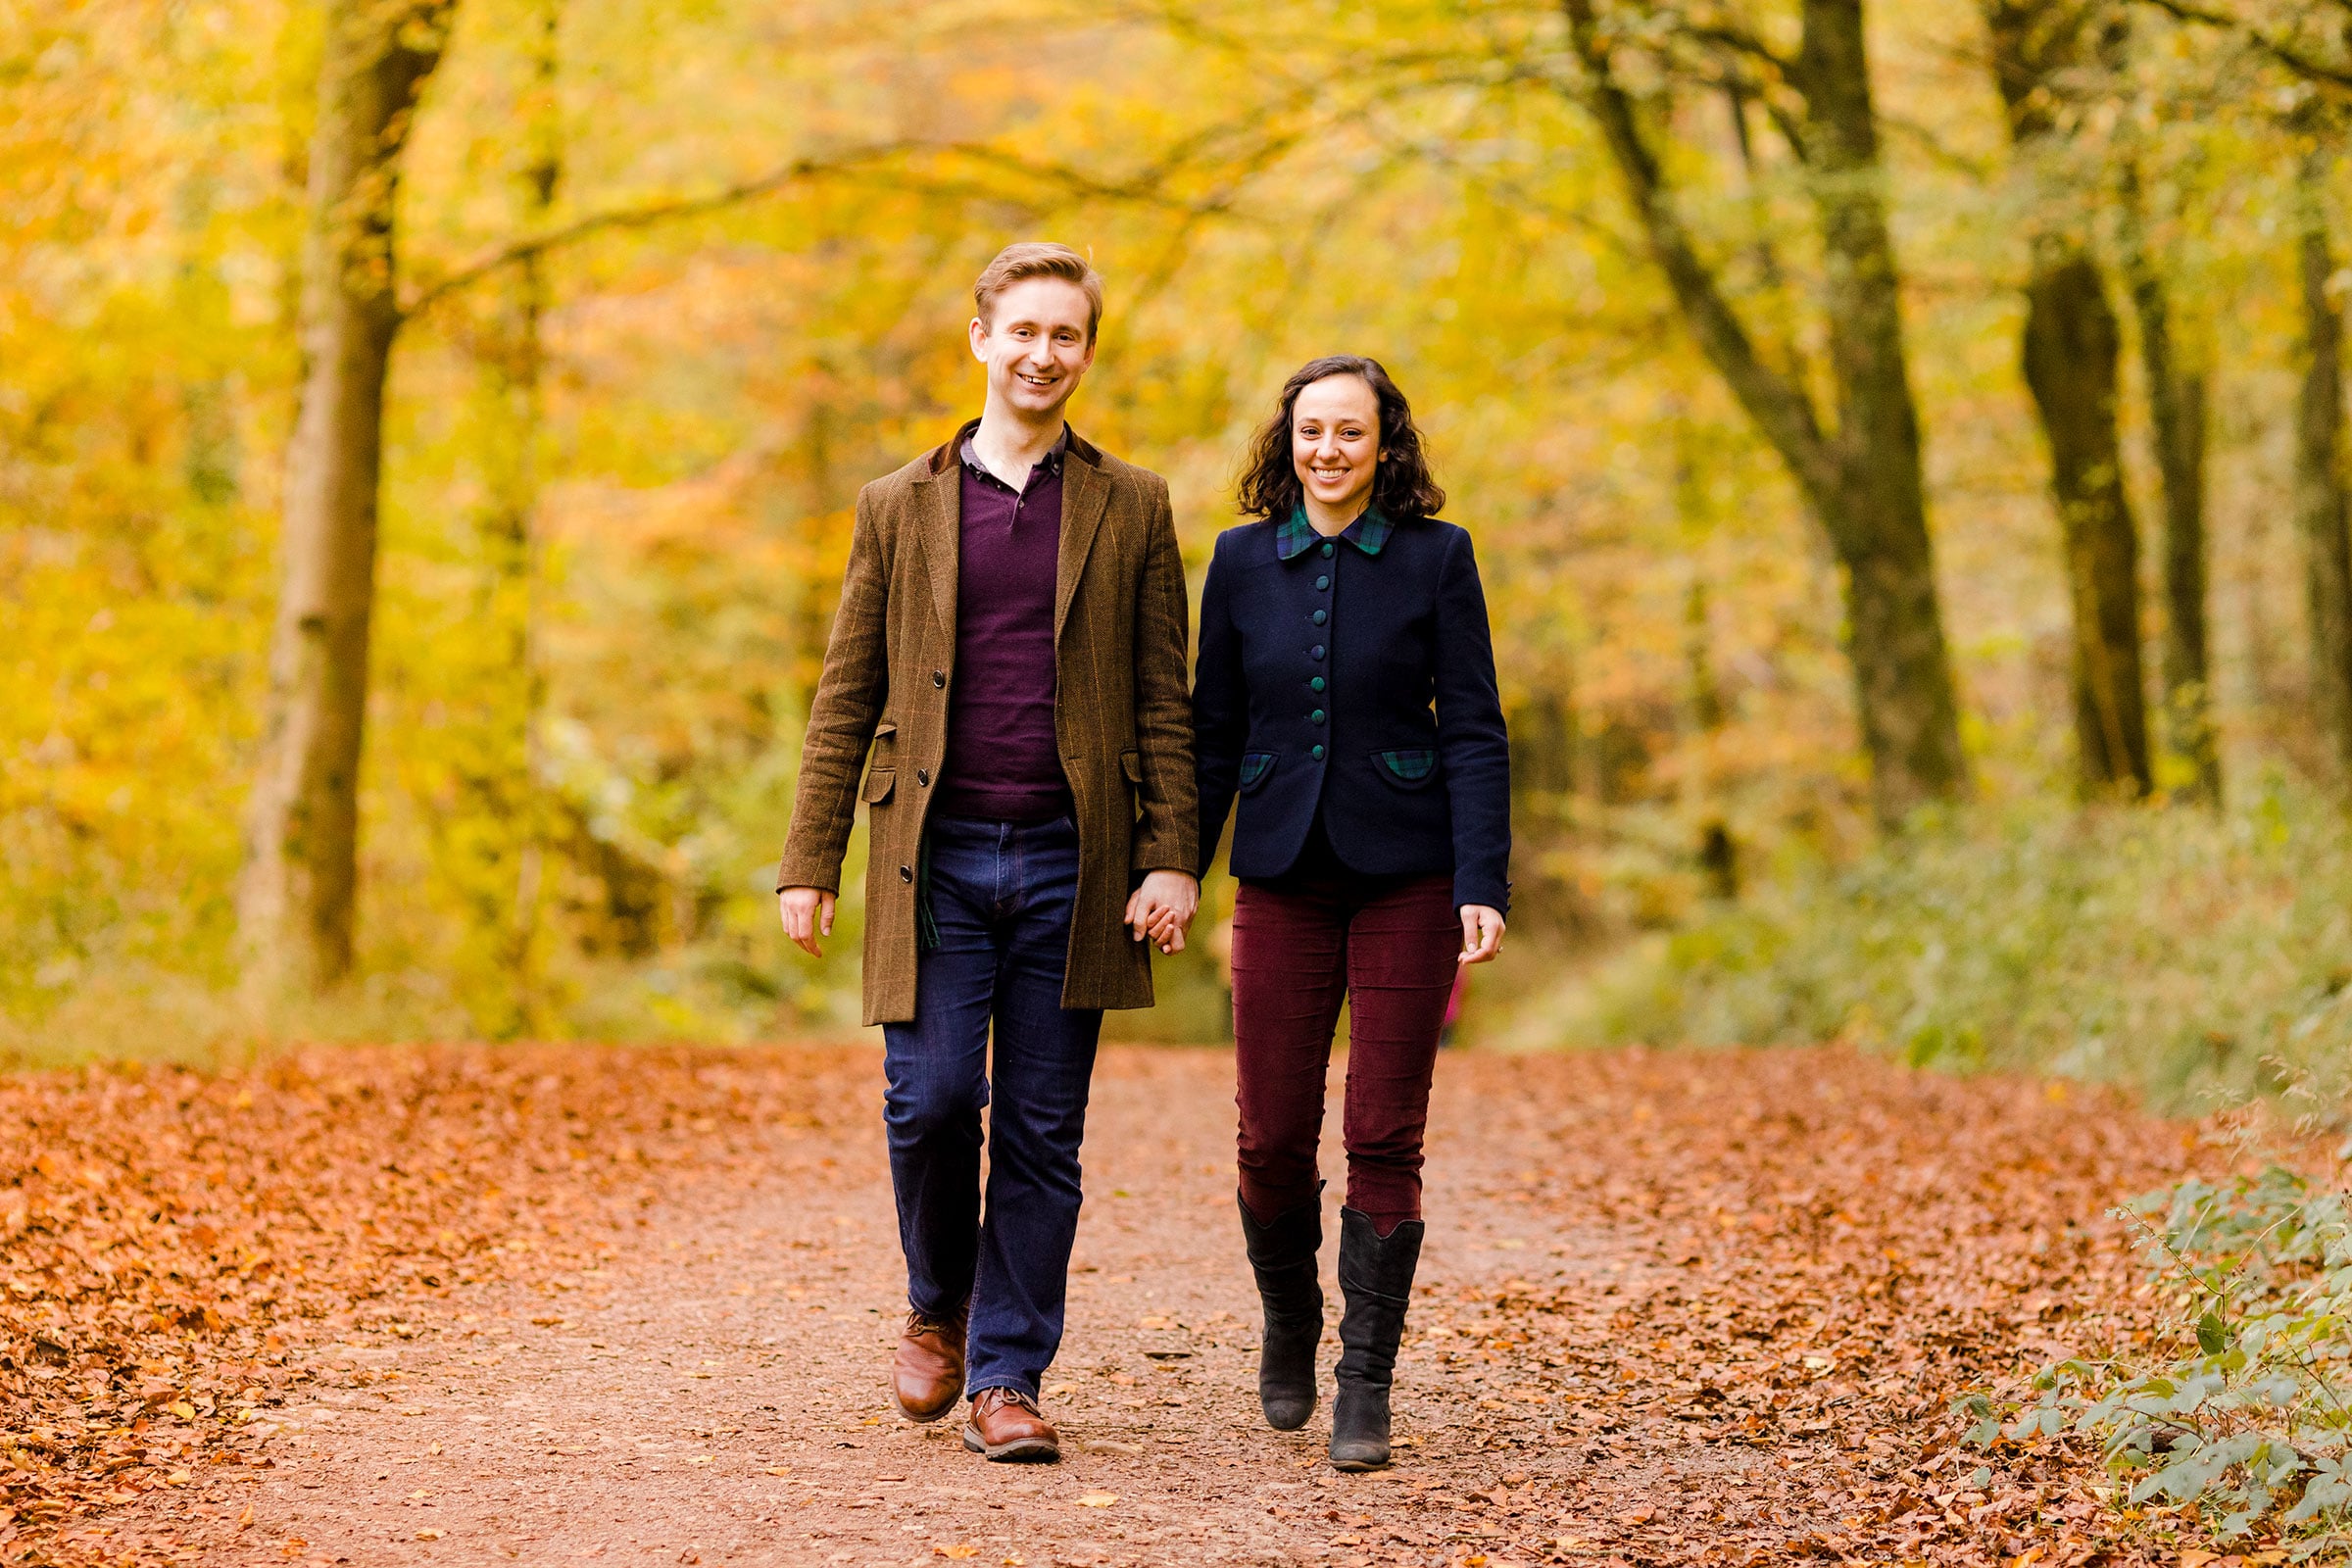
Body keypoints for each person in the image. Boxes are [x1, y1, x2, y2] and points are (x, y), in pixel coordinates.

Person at [775, 243, 1200, 1464]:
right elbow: (845, 691)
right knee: (931, 1099)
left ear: (1086, 353)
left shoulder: (1133, 506)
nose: (1042, 354)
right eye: (1023, 330)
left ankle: (1008, 1374)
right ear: (980, 340)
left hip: (1080, 865)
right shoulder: (897, 504)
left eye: (1066, 335)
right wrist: (812, 857)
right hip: (935, 856)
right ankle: (936, 1305)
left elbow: (1165, 697)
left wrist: (1170, 854)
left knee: (1040, 1130)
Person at [1193, 356, 1509, 1472]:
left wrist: (1481, 877)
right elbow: (1212, 730)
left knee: (1383, 1131)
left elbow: (1474, 722)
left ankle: (1364, 1380)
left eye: (1350, 433)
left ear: (1387, 446)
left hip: (1409, 873)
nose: (1328, 449)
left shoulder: (1438, 555)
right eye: (1310, 431)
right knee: (1270, 1135)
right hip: (1278, 868)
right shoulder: (1236, 562)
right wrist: (1177, 867)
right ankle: (1290, 1318)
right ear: (1287, 443)